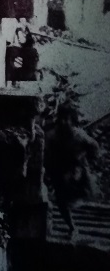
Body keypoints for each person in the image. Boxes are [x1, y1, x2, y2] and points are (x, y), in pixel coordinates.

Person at [45, 102, 100, 240]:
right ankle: (72, 227)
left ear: (71, 120)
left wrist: (88, 159)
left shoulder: (79, 135)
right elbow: (47, 154)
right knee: (61, 201)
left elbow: (94, 146)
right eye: (61, 119)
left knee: (78, 194)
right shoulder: (53, 136)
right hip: (60, 171)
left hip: (77, 171)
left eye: (66, 119)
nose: (63, 122)